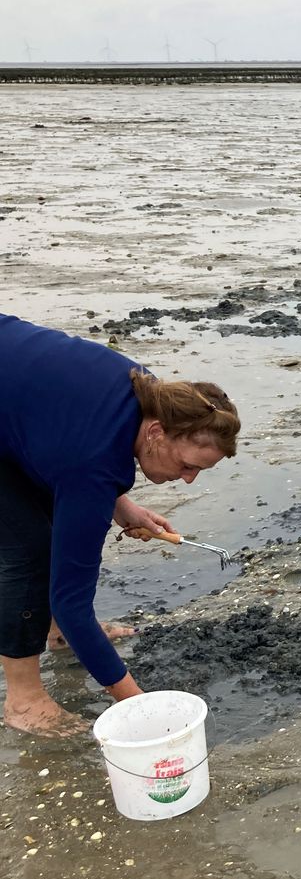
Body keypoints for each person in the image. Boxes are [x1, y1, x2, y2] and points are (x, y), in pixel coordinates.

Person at [0, 314, 240, 736]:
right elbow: (74, 601)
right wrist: (141, 707)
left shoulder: (153, 396)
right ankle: (23, 699)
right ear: (156, 432)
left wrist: (121, 505)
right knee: (28, 552)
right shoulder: (92, 463)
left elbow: (66, 444)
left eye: (199, 472)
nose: (188, 480)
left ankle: (56, 635)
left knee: (51, 505)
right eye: (187, 466)